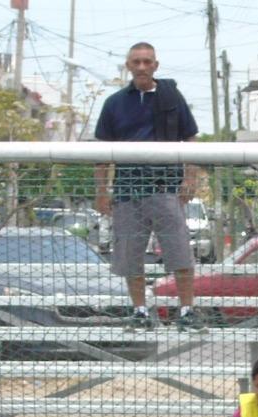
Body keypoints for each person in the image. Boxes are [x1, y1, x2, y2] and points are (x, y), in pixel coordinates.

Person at [93, 41, 206, 332]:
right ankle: (140, 312)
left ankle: (187, 312)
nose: (142, 67)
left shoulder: (172, 97)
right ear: (128, 66)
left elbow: (191, 138)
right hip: (128, 190)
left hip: (165, 186)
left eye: (147, 61)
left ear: (156, 65)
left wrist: (189, 177)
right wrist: (101, 191)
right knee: (130, 256)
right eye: (136, 62)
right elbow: (102, 151)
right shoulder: (114, 103)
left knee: (180, 252)